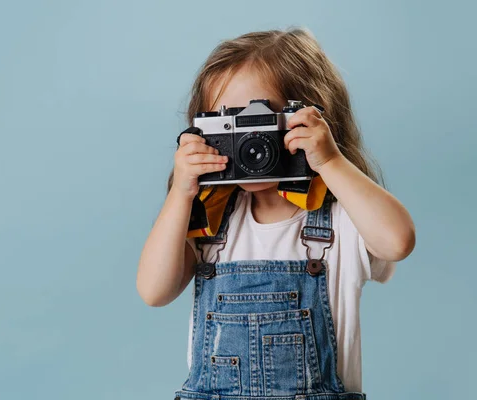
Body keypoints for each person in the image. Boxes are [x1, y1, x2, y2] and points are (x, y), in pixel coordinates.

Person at [136, 28, 415, 400]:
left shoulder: (344, 221)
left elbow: (398, 242)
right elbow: (153, 291)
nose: (251, 141)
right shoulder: (210, 223)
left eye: (262, 118)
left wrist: (329, 160)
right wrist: (182, 194)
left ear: (311, 121)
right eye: (228, 121)